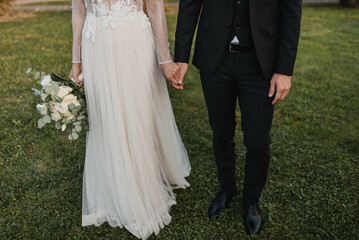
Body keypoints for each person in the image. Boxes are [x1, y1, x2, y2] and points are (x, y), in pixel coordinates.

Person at [175, 0, 302, 234]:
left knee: (258, 141)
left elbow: (291, 12)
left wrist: (284, 70)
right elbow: (189, 4)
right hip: (215, 58)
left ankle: (251, 200)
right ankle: (227, 189)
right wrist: (181, 56)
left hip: (260, 63)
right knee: (221, 132)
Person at [69, 0, 191, 239]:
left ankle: (141, 190)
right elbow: (79, 10)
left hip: (134, 43)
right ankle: (111, 188)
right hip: (96, 45)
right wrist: (77, 59)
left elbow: (155, 7)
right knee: (105, 118)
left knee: (138, 114)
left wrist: (164, 58)